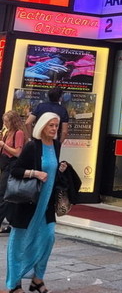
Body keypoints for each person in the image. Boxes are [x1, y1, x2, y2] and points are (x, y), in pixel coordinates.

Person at [5, 112, 68, 293]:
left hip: (46, 205)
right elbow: (16, 170)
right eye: (51, 125)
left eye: (56, 126)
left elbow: (52, 170)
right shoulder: (32, 146)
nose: (54, 129)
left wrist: (61, 168)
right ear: (42, 126)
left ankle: (37, 279)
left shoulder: (56, 145)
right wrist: (35, 173)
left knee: (47, 239)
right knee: (19, 243)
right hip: (29, 204)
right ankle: (14, 284)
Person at [0, 112, 28, 234]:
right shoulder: (7, 132)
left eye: (7, 121)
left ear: (13, 121)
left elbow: (17, 153)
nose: (5, 124)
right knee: (7, 194)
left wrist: (4, 145)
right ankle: (12, 222)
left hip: (12, 166)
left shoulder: (18, 133)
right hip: (5, 164)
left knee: (3, 193)